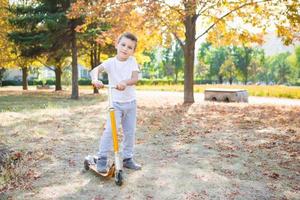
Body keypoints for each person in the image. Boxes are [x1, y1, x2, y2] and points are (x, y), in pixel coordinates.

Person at [89, 32, 141, 173]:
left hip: (130, 103)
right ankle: (102, 158)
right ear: (117, 44)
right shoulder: (110, 62)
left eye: (130, 47)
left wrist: (125, 82)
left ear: (133, 51)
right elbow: (95, 70)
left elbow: (135, 78)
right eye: (123, 44)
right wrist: (96, 80)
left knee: (129, 132)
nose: (125, 48)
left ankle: (127, 159)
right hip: (116, 104)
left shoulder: (132, 61)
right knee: (110, 131)